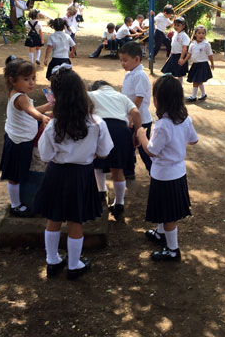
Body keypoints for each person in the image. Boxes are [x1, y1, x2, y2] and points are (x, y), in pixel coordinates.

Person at [33, 69, 113, 280]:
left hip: (56, 175)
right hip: (81, 175)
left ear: (57, 97)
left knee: (54, 218)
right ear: (82, 93)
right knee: (76, 221)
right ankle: (74, 264)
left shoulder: (53, 126)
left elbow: (45, 155)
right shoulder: (96, 123)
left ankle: (52, 261)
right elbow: (104, 152)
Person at [136, 75, 198, 261]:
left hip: (164, 175)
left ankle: (173, 250)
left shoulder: (162, 125)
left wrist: (141, 136)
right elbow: (194, 140)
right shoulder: (184, 119)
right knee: (165, 209)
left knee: (169, 215)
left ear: (159, 100)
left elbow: (152, 151)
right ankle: (160, 234)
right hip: (177, 172)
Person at [0, 56, 51, 217]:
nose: (31, 83)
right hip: (18, 142)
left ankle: (18, 201)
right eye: (26, 79)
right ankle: (15, 205)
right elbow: (32, 111)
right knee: (14, 175)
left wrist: (50, 106)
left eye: (33, 78)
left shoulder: (21, 95)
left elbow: (33, 109)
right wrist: (42, 118)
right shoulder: (20, 97)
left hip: (22, 140)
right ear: (13, 80)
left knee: (20, 172)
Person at [89, 80, 142, 220]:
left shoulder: (91, 95)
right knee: (117, 168)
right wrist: (137, 132)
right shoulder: (122, 97)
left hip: (100, 128)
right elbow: (136, 112)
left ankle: (101, 192)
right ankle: (119, 203)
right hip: (121, 131)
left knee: (97, 164)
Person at [119, 42, 153, 176]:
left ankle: (154, 171)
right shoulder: (131, 73)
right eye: (121, 60)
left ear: (137, 59)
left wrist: (132, 118)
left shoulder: (140, 75)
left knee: (145, 149)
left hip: (141, 120)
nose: (123, 63)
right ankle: (128, 171)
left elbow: (139, 98)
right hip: (130, 118)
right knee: (128, 147)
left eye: (125, 60)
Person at [184, 25, 214, 102]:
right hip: (195, 65)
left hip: (202, 65)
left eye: (203, 33)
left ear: (205, 35)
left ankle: (193, 96)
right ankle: (203, 94)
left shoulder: (206, 44)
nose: (201, 35)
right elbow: (189, 54)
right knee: (199, 80)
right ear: (195, 34)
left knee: (196, 81)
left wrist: (212, 63)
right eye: (199, 33)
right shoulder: (192, 44)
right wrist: (184, 60)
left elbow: (210, 54)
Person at [160, 17, 190, 83]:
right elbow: (173, 47)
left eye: (178, 25)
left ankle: (180, 87)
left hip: (179, 56)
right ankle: (170, 86)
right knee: (168, 72)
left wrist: (181, 58)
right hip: (173, 56)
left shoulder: (184, 36)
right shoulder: (175, 34)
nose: (176, 27)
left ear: (183, 26)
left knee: (179, 73)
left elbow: (184, 48)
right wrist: (169, 56)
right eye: (175, 25)